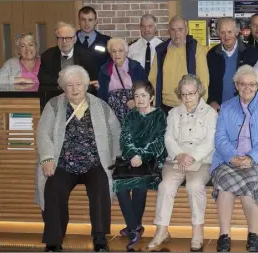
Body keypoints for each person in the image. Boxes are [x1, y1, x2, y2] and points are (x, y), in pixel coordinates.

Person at [35, 65, 121, 252]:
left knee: (100, 187)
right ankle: (54, 240)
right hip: (63, 163)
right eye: (69, 85)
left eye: (78, 84)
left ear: (86, 85)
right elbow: (43, 133)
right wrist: (47, 158)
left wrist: (116, 161)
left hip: (95, 162)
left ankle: (99, 238)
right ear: (63, 87)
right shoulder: (54, 105)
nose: (74, 89)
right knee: (53, 188)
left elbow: (116, 133)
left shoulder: (101, 106)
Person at [211, 65, 258, 252]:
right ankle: (224, 235)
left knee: (250, 184)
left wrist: (252, 157)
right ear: (236, 85)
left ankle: (254, 233)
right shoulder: (227, 107)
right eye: (242, 84)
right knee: (224, 184)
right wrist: (232, 156)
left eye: (252, 84)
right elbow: (220, 138)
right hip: (229, 159)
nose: (247, 88)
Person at [148, 74, 217, 252]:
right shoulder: (173, 113)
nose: (188, 98)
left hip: (201, 161)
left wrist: (192, 156)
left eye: (191, 93)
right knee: (165, 187)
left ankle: (197, 232)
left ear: (199, 92)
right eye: (184, 94)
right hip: (176, 160)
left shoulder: (211, 113)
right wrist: (179, 155)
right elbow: (168, 137)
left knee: (194, 186)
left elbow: (211, 141)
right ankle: (161, 231)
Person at [114, 80, 167, 250]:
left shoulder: (159, 115)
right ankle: (134, 227)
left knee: (139, 186)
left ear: (151, 97)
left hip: (151, 162)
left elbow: (160, 141)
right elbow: (124, 139)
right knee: (120, 186)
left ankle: (132, 228)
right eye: (136, 96)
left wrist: (142, 155)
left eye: (144, 95)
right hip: (131, 160)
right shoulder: (131, 115)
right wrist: (133, 155)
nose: (140, 99)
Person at [149, 15, 209, 114]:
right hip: (165, 107)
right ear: (169, 32)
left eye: (180, 30)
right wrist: (154, 104)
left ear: (186, 30)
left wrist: (201, 106)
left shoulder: (196, 49)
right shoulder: (161, 50)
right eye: (173, 30)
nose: (177, 34)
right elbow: (153, 79)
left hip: (189, 106)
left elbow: (203, 80)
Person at [207, 17, 258, 111]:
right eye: (222, 32)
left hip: (245, 107)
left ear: (237, 31)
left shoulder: (250, 53)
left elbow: (257, 82)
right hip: (219, 108)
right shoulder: (212, 54)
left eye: (230, 32)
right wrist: (212, 100)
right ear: (218, 33)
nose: (226, 36)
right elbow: (208, 81)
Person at [38, 22, 99, 100]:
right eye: (60, 38)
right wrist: (65, 83)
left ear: (74, 39)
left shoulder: (87, 56)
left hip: (81, 99)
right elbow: (43, 79)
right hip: (56, 98)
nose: (64, 41)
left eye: (68, 38)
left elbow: (93, 82)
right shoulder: (47, 56)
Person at [97, 38, 148, 124]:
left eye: (120, 51)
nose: (117, 54)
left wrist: (137, 101)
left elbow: (147, 89)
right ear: (110, 53)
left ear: (126, 52)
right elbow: (101, 96)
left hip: (134, 114)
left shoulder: (136, 67)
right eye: (113, 51)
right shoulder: (104, 70)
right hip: (112, 117)